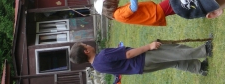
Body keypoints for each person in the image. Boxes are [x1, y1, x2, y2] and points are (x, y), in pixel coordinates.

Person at [69, 40, 211, 76]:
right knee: (173, 52)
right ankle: (204, 50)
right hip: (142, 58)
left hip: (142, 68)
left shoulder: (97, 67)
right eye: (86, 45)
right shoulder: (103, 55)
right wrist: (149, 46)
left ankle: (200, 68)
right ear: (86, 51)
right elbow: (128, 54)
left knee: (173, 62)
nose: (88, 45)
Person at [96, 0, 176, 27]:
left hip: (155, 12)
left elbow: (135, 4)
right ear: (108, 5)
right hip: (155, 13)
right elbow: (133, 7)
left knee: (178, 6)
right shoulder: (118, 14)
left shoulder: (117, 13)